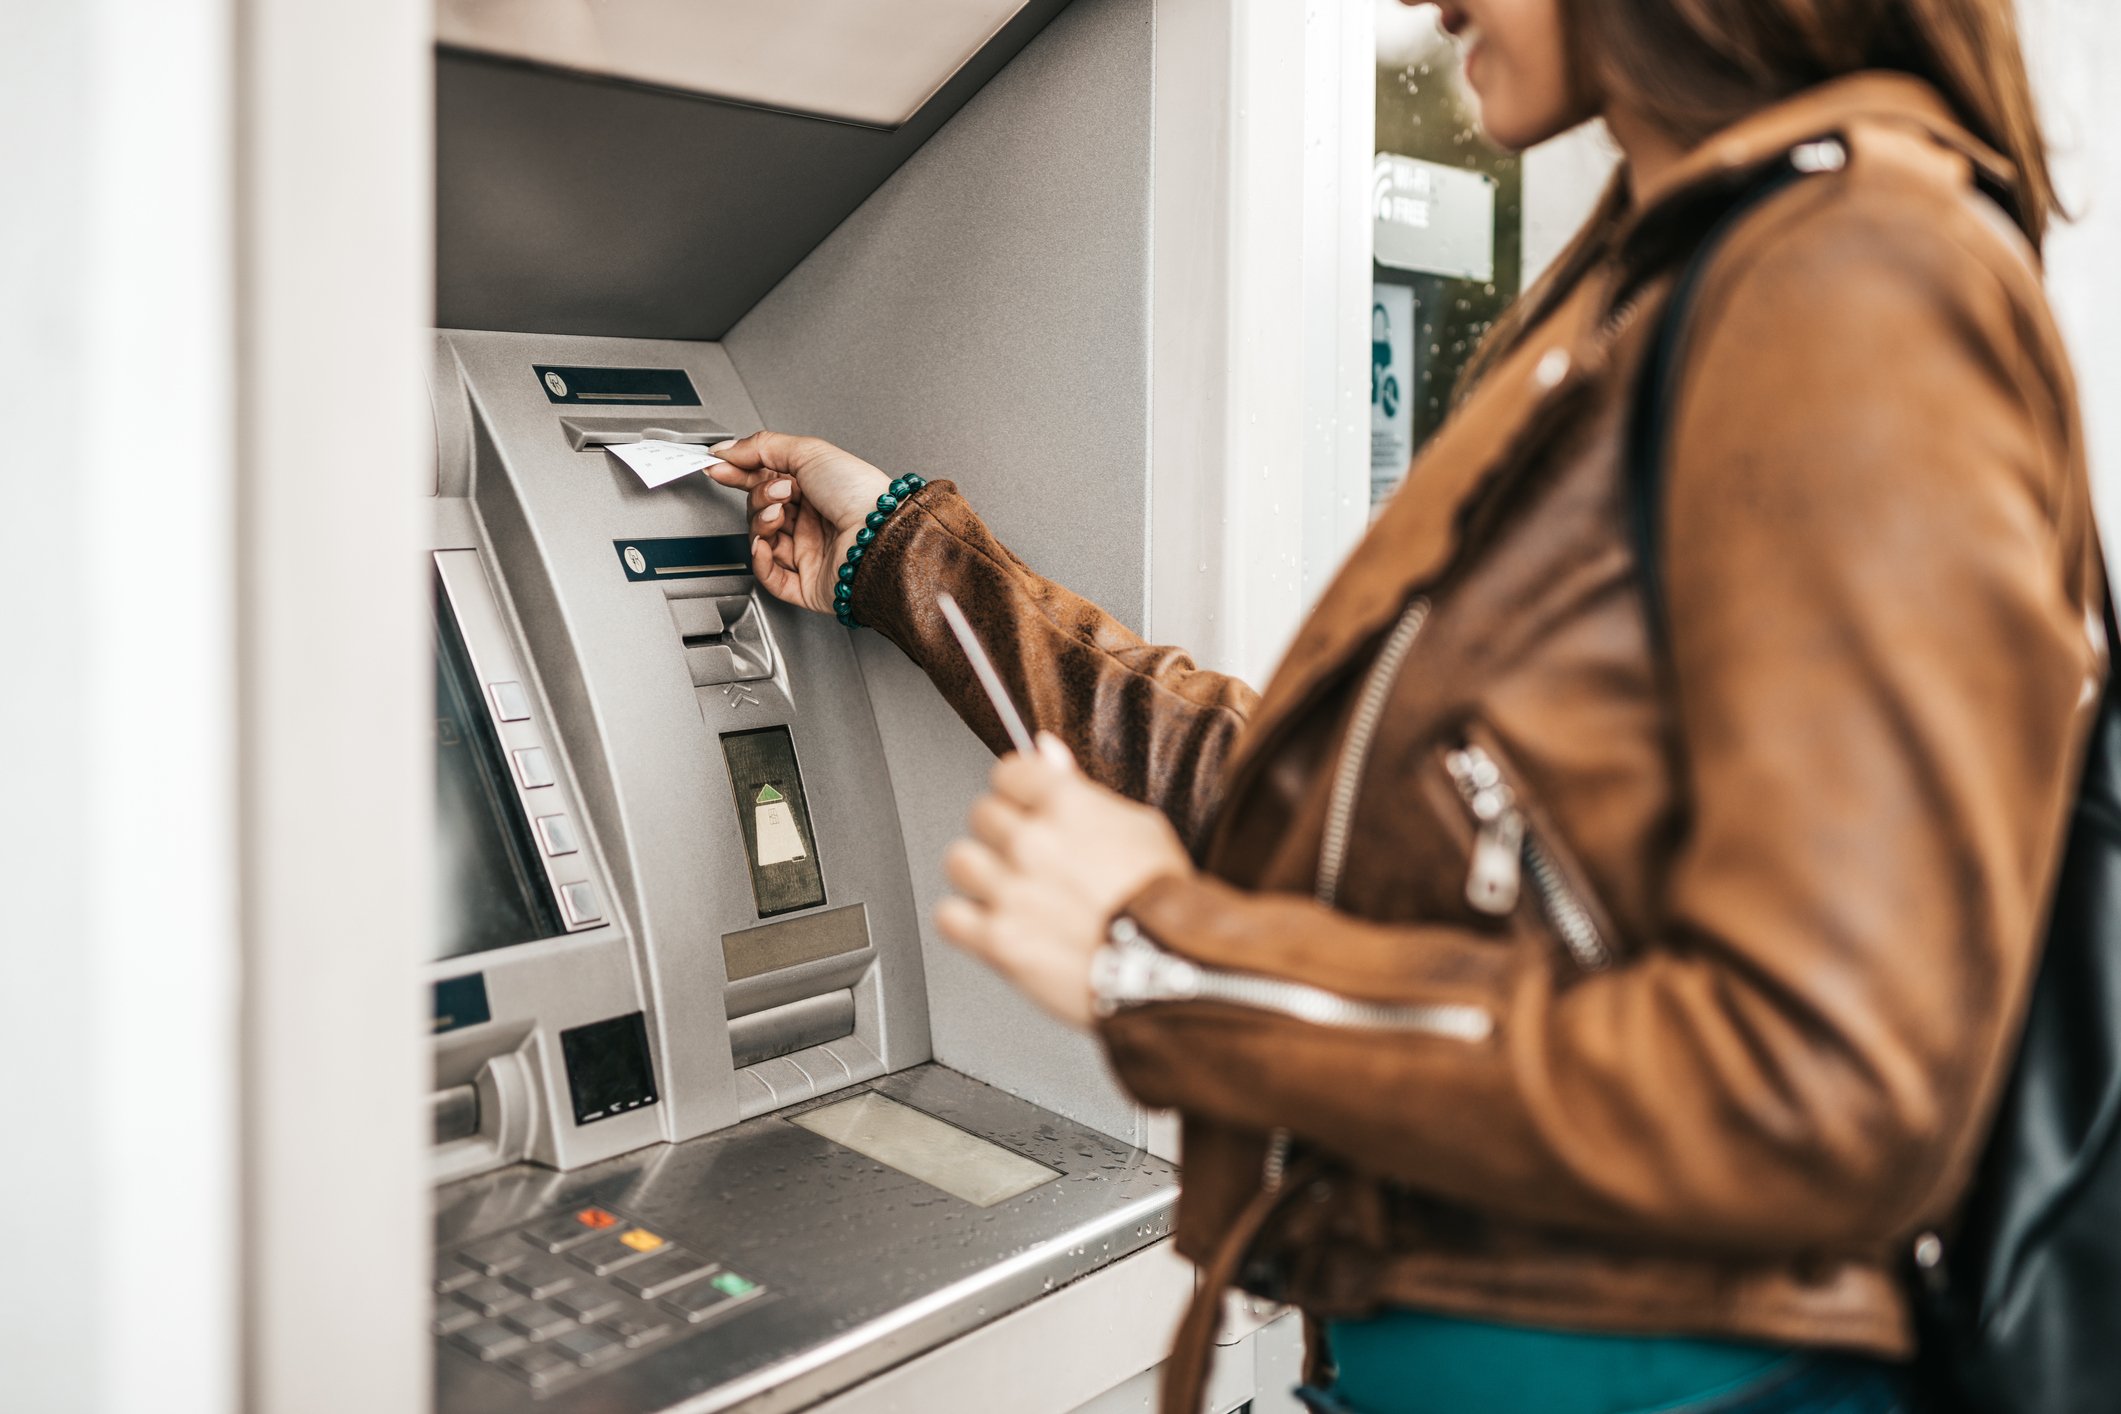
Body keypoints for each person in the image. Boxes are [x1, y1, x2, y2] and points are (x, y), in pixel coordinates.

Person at [707, 0, 2102, 1408]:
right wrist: (914, 565)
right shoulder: (1675, 278)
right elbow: (1341, 825)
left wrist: (1167, 966)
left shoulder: (1852, 283)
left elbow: (1822, 1085)